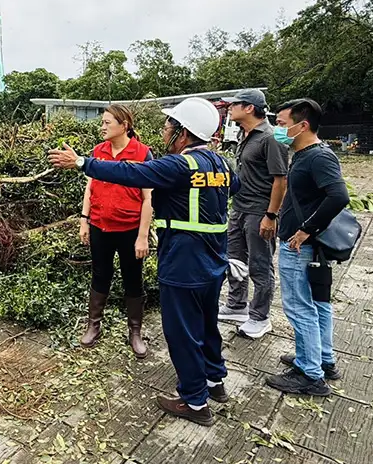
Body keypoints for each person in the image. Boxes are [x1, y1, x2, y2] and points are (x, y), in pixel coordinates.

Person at [49, 97, 240, 427]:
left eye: (169, 126)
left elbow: (130, 172)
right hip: (213, 261)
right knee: (208, 324)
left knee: (182, 333)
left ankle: (194, 401)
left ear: (183, 133)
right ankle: (214, 382)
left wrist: (82, 162)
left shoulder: (179, 165)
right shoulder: (221, 165)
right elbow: (234, 186)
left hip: (183, 262)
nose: (165, 131)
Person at [265, 99, 348, 396]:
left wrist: (304, 231)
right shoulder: (303, 154)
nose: (278, 128)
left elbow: (339, 197)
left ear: (302, 126)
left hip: (301, 246)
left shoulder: (318, 157)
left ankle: (311, 375)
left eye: (282, 123)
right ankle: (321, 359)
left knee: (300, 307)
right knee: (317, 304)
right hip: (308, 246)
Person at [79, 104, 154, 358]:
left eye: (107, 122)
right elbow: (89, 189)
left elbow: (147, 199)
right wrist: (84, 220)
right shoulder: (97, 152)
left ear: (124, 126)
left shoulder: (142, 153)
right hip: (101, 225)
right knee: (100, 274)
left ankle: (135, 332)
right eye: (102, 122)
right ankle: (93, 325)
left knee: (133, 278)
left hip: (130, 229)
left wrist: (143, 235)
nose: (102, 127)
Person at [218, 89, 288, 339]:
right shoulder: (243, 133)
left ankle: (260, 316)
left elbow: (281, 180)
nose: (230, 108)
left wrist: (271, 215)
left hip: (260, 211)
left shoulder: (272, 137)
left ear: (249, 108)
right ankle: (237, 305)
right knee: (234, 260)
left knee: (260, 265)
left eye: (234, 104)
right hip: (239, 207)